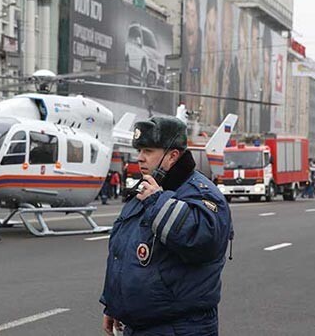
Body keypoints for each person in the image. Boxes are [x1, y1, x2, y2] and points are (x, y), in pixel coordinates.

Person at [100, 117, 233, 336]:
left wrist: (157, 202)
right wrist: (113, 304)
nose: (140, 158)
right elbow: (124, 253)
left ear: (172, 156)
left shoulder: (202, 194)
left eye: (148, 151)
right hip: (139, 326)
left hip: (181, 327)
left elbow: (204, 242)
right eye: (140, 150)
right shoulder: (148, 188)